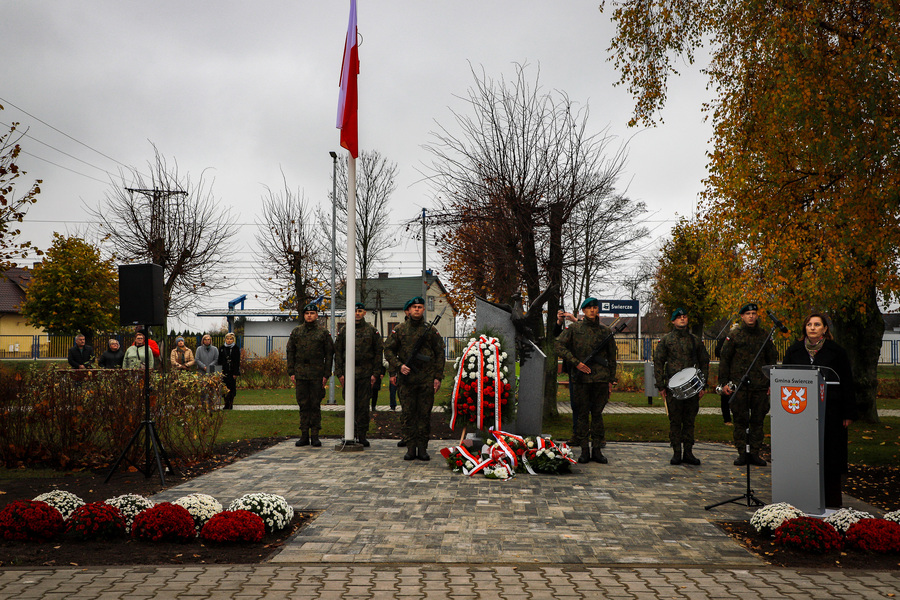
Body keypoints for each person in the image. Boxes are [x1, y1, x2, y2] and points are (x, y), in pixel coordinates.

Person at [782, 312, 857, 508]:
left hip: (831, 412)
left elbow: (847, 382)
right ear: (804, 328)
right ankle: (801, 499)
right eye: (809, 324)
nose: (812, 327)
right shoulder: (794, 350)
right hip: (801, 412)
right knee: (803, 455)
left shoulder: (837, 351)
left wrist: (848, 413)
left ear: (825, 329)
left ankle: (831, 502)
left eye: (817, 324)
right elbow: (784, 379)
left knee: (830, 456)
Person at [556, 297, 618, 464]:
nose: (592, 310)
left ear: (598, 310)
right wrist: (576, 363)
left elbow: (612, 357)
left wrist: (611, 380)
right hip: (581, 380)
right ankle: (584, 450)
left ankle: (597, 450)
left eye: (595, 307)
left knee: (597, 415)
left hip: (600, 380)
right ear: (583, 311)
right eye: (589, 308)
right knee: (583, 416)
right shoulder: (574, 329)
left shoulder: (605, 331)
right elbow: (558, 345)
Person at [384, 297, 445, 461]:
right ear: (409, 311)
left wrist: (437, 377)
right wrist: (399, 366)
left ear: (423, 310)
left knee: (424, 415)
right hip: (407, 380)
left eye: (420, 307)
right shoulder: (400, 329)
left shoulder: (431, 331)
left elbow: (440, 354)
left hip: (426, 381)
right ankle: (411, 448)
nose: (417, 309)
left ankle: (422, 449)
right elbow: (388, 350)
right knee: (408, 414)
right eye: (414, 307)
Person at [718, 303, 778, 466]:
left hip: (760, 385)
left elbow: (772, 358)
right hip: (739, 385)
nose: (751, 316)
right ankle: (742, 452)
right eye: (748, 314)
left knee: (758, 421)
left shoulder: (764, 335)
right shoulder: (735, 334)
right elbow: (725, 359)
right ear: (742, 316)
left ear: (757, 316)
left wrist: (772, 381)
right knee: (740, 420)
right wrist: (723, 383)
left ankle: (755, 453)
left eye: (753, 313)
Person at [653, 308, 710, 466]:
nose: (682, 319)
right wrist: (661, 385)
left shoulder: (695, 340)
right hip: (673, 388)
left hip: (692, 387)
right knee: (675, 421)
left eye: (685, 317)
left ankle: (689, 452)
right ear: (673, 321)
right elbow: (658, 361)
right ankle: (677, 452)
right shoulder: (666, 340)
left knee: (690, 420)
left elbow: (704, 361)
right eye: (679, 317)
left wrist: (702, 385)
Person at [335, 302, 383, 447]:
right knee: (350, 405)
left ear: (364, 313)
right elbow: (338, 353)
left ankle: (362, 435)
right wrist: (339, 373)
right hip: (348, 374)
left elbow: (377, 353)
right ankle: (350, 433)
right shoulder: (344, 331)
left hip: (365, 374)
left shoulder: (371, 331)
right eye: (355, 311)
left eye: (360, 311)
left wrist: (375, 373)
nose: (357, 313)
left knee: (363, 406)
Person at [286, 303, 334, 447]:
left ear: (316, 315)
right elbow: (290, 352)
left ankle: (315, 436)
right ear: (304, 315)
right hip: (300, 374)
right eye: (307, 313)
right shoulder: (296, 332)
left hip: (317, 374)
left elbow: (329, 354)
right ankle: (304, 435)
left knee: (315, 404)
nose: (309, 316)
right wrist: (291, 372)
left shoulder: (323, 333)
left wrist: (326, 374)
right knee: (303, 404)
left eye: (312, 313)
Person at [217, 332, 241, 410]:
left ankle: (230, 404)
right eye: (227, 339)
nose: (229, 340)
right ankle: (226, 404)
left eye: (231, 339)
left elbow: (237, 361)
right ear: (225, 339)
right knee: (224, 388)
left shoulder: (236, 348)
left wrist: (235, 373)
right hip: (224, 371)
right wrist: (219, 372)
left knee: (231, 388)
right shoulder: (222, 348)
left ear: (233, 340)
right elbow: (219, 361)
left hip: (232, 371)